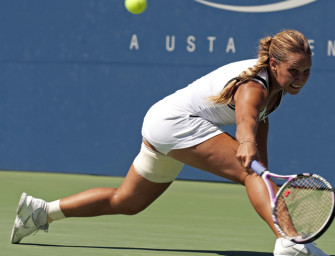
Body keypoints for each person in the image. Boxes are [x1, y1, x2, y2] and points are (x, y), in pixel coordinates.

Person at [10, 29, 329, 256]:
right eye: (294, 71)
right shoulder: (254, 87)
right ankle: (291, 243)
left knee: (127, 201)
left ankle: (39, 213)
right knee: (253, 175)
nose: (300, 78)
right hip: (175, 124)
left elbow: (259, 121)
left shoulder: (274, 90)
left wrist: (261, 168)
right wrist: (246, 147)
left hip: (163, 124)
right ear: (274, 64)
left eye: (306, 72)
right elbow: (247, 118)